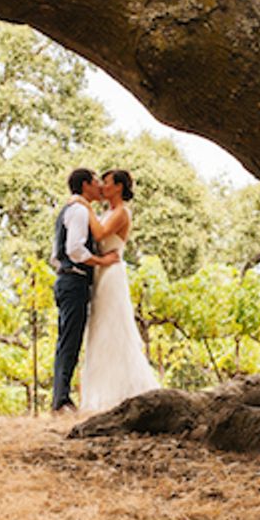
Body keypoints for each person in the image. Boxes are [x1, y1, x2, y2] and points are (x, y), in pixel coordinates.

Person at [73, 169, 160, 412]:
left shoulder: (121, 212)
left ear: (119, 187)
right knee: (99, 331)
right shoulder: (105, 212)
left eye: (108, 183)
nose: (103, 186)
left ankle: (122, 392)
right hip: (101, 272)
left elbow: (100, 234)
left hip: (112, 273)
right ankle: (100, 393)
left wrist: (83, 204)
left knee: (113, 329)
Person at [50, 168, 120, 412]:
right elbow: (75, 250)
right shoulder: (79, 210)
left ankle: (61, 397)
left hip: (67, 279)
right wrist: (101, 262)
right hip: (74, 280)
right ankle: (61, 401)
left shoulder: (73, 209)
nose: (100, 186)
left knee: (67, 340)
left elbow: (56, 256)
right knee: (70, 341)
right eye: (96, 182)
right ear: (85, 185)